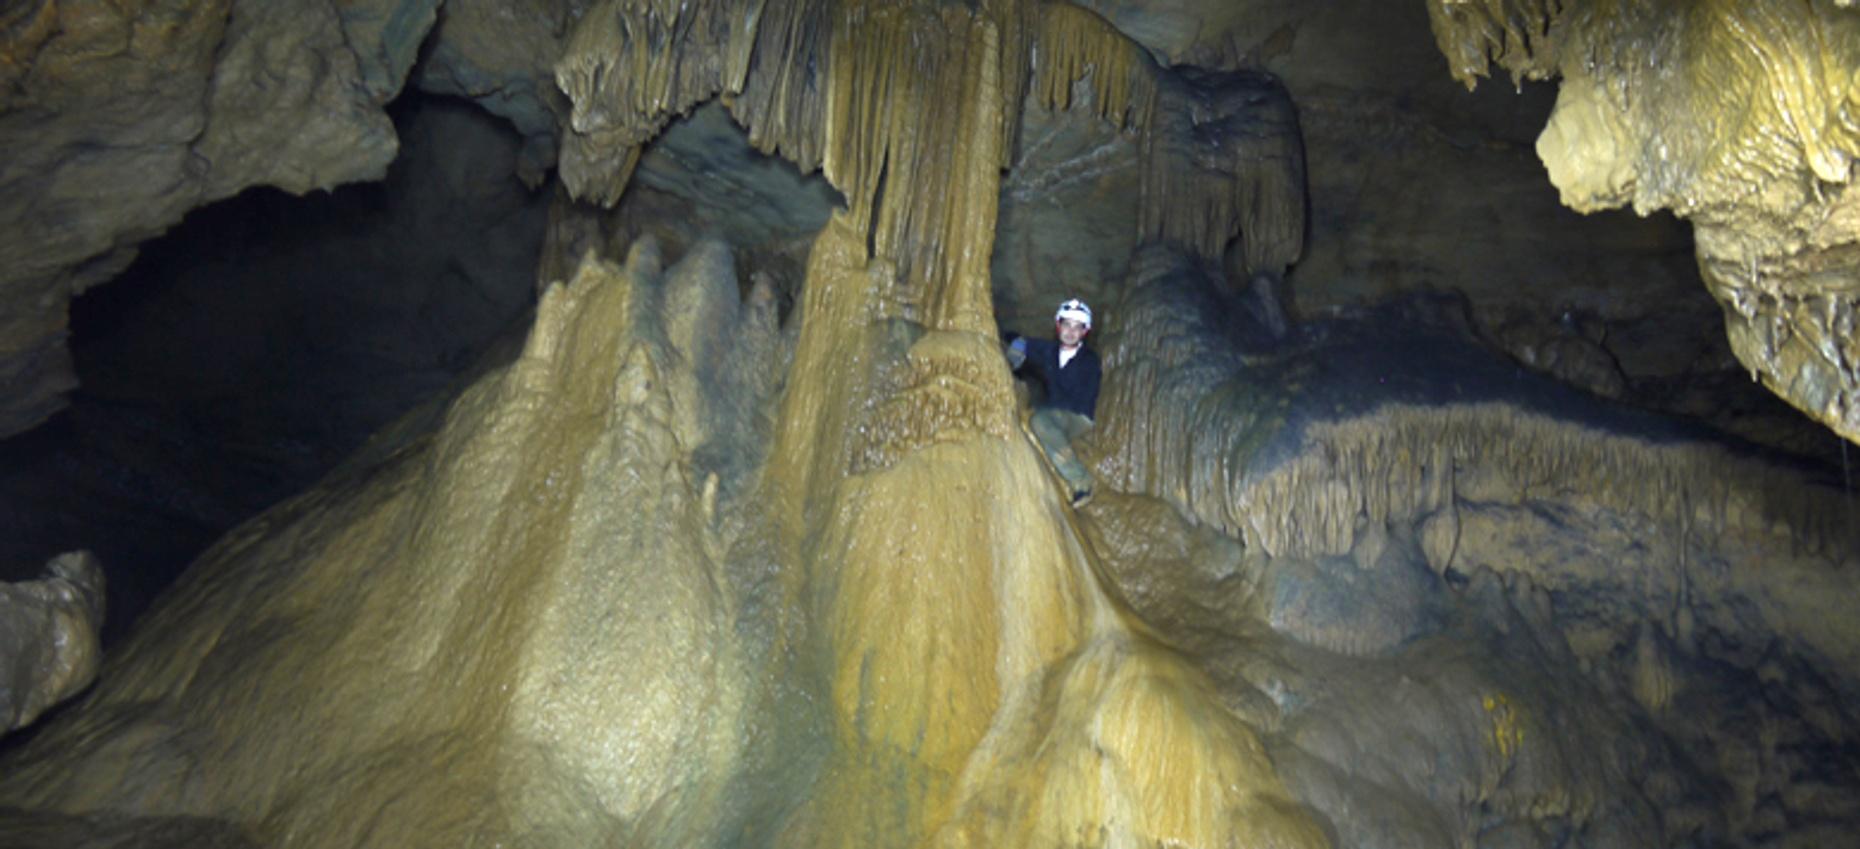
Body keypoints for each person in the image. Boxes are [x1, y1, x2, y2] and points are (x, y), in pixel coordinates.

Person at [1005, 298, 1101, 507]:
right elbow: (1024, 341)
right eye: (1067, 325)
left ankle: (1081, 482)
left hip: (1078, 416)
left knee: (1040, 421)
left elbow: (1070, 395)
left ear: (1085, 332)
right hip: (1056, 413)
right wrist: (1015, 346)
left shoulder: (1089, 361)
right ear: (1058, 326)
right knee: (1035, 418)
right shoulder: (1050, 351)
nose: (1071, 331)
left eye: (1078, 327)